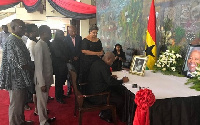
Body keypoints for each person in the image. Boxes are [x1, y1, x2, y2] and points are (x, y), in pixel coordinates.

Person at [0, 19, 33, 125]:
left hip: (20, 77)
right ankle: (14, 123)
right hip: (15, 78)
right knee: (16, 103)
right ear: (13, 28)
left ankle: (21, 121)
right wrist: (31, 67)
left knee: (20, 102)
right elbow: (19, 63)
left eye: (24, 26)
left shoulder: (18, 39)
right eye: (21, 26)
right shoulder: (12, 41)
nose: (23, 29)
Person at [87, 52, 129, 123]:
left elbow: (101, 77)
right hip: (97, 95)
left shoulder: (97, 62)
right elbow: (110, 82)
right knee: (120, 100)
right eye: (112, 61)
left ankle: (105, 112)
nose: (112, 63)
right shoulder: (104, 66)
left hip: (92, 89)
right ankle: (106, 115)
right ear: (108, 59)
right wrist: (122, 80)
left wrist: (110, 77)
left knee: (117, 91)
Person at [34, 25, 55, 124]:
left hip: (46, 78)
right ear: (43, 33)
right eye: (49, 32)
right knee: (41, 102)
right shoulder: (39, 46)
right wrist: (42, 83)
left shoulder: (44, 44)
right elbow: (38, 66)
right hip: (41, 80)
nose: (51, 34)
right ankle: (43, 121)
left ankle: (45, 118)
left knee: (44, 100)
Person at [51, 30, 69, 104]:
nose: (62, 36)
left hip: (63, 64)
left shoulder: (63, 42)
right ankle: (58, 97)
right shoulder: (54, 43)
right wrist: (66, 58)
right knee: (58, 81)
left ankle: (61, 94)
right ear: (57, 35)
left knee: (62, 80)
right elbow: (58, 54)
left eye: (62, 35)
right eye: (61, 35)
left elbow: (66, 50)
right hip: (58, 65)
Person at [65, 25, 82, 96]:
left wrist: (78, 56)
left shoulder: (79, 38)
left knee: (77, 74)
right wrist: (72, 57)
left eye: (75, 31)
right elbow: (66, 50)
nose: (74, 33)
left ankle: (77, 88)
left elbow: (81, 48)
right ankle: (69, 89)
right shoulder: (65, 39)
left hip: (78, 60)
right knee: (70, 75)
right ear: (69, 32)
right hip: (70, 60)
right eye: (73, 31)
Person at [26, 24, 39, 115]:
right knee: (35, 90)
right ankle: (37, 110)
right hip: (33, 66)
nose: (37, 32)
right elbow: (35, 59)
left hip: (34, 66)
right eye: (35, 31)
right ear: (31, 33)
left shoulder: (34, 40)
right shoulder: (32, 43)